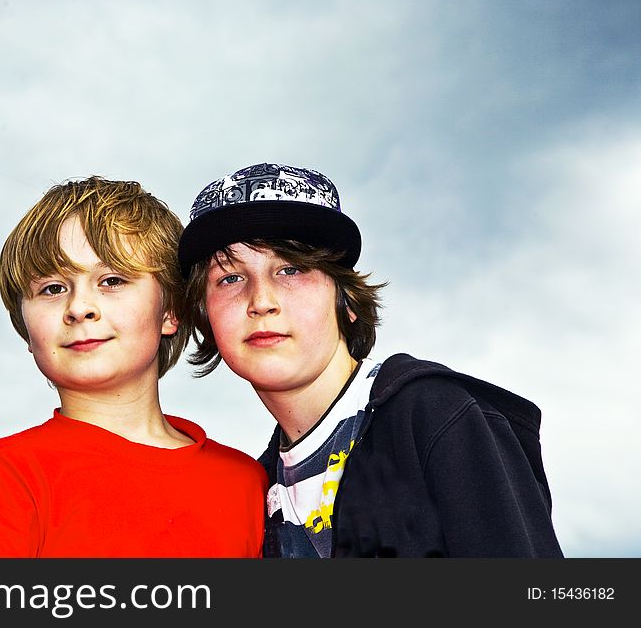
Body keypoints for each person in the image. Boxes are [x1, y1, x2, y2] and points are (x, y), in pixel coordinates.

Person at [177, 162, 563, 558]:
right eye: (229, 278)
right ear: (204, 314)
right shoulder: (256, 491)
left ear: (347, 302)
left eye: (290, 269)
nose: (261, 302)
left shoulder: (435, 416)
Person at [0, 176, 267, 558]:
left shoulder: (246, 483)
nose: (78, 307)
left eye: (111, 280)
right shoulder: (3, 478)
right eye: (52, 289)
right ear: (25, 328)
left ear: (170, 310)